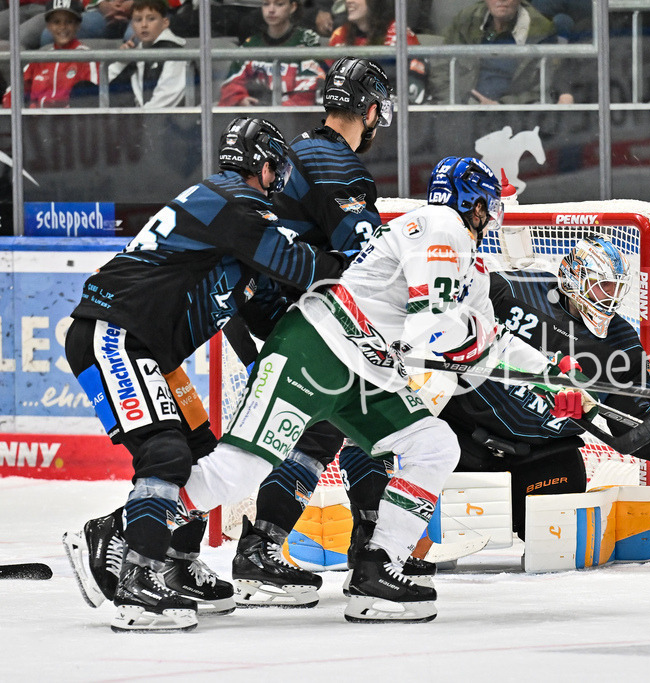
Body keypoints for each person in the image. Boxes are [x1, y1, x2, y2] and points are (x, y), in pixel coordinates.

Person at [174, 156, 588, 623]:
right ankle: (133, 534)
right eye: (492, 204)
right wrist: (474, 349)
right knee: (243, 469)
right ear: (474, 202)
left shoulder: (471, 265)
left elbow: (482, 352)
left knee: (432, 446)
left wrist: (551, 375)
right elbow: (434, 331)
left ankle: (378, 566)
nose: (496, 215)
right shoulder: (440, 224)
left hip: (366, 370)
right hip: (318, 347)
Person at [62, 117, 347, 633]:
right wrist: (362, 266)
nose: (279, 177)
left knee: (199, 455)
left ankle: (173, 561)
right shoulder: (232, 199)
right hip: (115, 333)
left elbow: (263, 314)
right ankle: (134, 571)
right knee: (166, 453)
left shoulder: (236, 228)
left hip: (150, 348)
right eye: (277, 166)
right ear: (263, 164)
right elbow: (299, 265)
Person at [332, 236, 650, 555]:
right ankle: (371, 541)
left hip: (543, 457)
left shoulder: (619, 339)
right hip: (464, 442)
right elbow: (447, 311)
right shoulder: (511, 290)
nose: (607, 298)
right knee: (385, 440)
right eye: (599, 287)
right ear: (574, 279)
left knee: (557, 547)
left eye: (614, 288)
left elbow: (634, 413)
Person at [226, 56, 396, 609]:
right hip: (295, 313)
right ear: (370, 109)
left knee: (324, 429)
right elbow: (364, 257)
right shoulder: (335, 161)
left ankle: (331, 547)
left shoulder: (297, 150)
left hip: (257, 308)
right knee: (373, 412)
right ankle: (366, 550)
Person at [429, 0, 574, 105]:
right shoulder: (466, 20)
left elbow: (541, 89)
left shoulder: (541, 31)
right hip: (461, 114)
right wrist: (454, 104)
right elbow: (441, 68)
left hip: (512, 120)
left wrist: (501, 107)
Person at [218, 0, 325, 107]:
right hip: (256, 117)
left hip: (296, 119)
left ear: (292, 7)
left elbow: (313, 84)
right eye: (266, 4)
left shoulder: (306, 40)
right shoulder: (252, 44)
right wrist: (241, 99)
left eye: (279, 4)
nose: (271, 10)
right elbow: (231, 83)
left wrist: (280, 111)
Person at [2, 0, 98, 109]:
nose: (62, 27)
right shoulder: (39, 61)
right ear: (48, 26)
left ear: (78, 25)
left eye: (69, 22)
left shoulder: (87, 58)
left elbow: (93, 101)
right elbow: (11, 94)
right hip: (36, 123)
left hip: (70, 123)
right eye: (56, 22)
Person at [328, 0, 428, 104]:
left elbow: (415, 81)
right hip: (347, 113)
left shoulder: (398, 33)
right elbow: (325, 79)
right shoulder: (339, 35)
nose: (348, 1)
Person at [107, 0, 189, 108]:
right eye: (138, 20)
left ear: (165, 23)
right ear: (132, 25)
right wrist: (122, 61)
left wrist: (139, 120)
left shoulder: (175, 53)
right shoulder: (135, 53)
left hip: (164, 122)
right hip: (135, 120)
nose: (144, 25)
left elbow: (166, 99)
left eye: (151, 19)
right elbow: (105, 90)